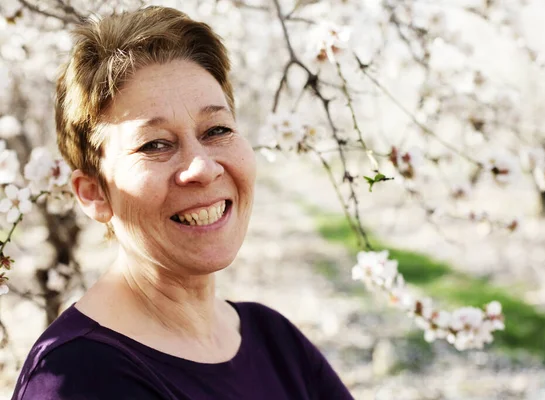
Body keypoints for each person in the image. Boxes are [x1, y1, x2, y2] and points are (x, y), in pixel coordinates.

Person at [12, 6, 353, 400]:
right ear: (94, 193)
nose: (203, 168)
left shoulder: (275, 340)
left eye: (217, 130)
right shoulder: (77, 379)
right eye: (154, 144)